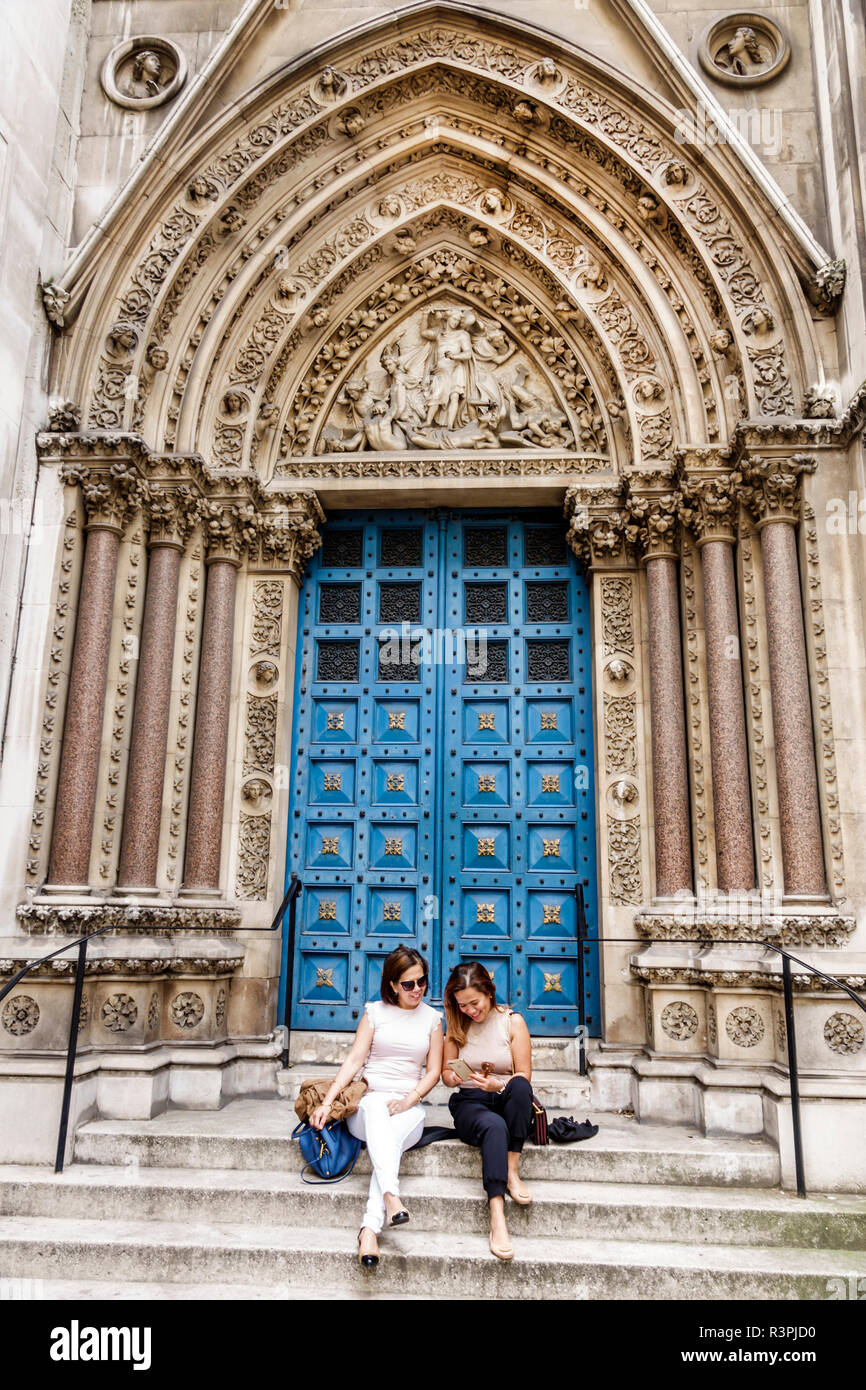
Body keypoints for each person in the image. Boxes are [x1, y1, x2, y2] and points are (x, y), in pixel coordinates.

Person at [309, 946, 443, 1270]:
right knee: (379, 1112)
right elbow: (355, 1060)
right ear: (393, 984)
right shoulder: (375, 1012)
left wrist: (409, 1100)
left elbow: (435, 1071)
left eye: (421, 982)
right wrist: (328, 1102)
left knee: (390, 1138)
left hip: (408, 1107)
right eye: (408, 984)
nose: (417, 990)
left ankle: (369, 1229)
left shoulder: (433, 1018)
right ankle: (390, 1199)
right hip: (368, 1105)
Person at [442, 961, 533, 1262]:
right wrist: (452, 1077)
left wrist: (498, 1086)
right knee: (494, 1126)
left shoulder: (512, 1022)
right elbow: (445, 1074)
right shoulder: (456, 1026)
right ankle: (497, 1215)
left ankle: (511, 1169)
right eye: (462, 1005)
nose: (469, 1010)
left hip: (503, 1096)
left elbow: (524, 1075)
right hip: (470, 1105)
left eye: (474, 1003)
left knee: (519, 1087)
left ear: (490, 993)